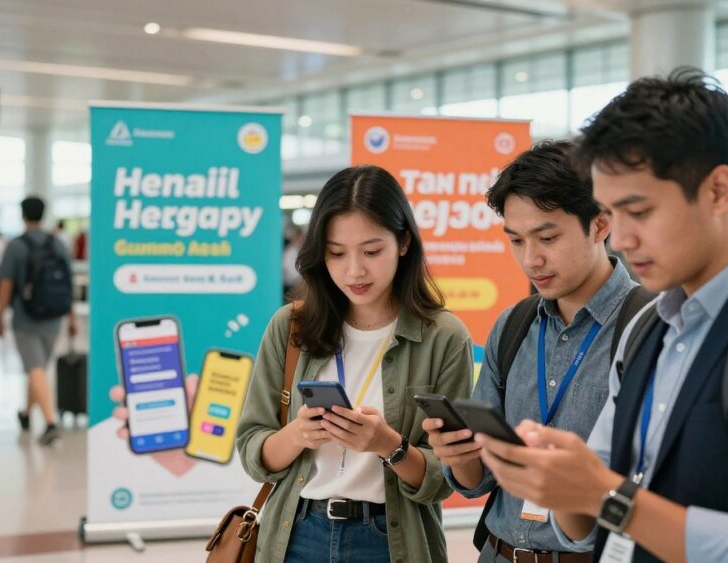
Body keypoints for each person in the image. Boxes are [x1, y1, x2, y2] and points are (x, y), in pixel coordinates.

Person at [474, 68, 728, 562]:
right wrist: (563, 481)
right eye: (611, 213)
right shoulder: (649, 329)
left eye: (639, 211)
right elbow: (585, 526)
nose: (620, 238)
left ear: (717, 190)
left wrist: (602, 494)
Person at [235, 165, 474, 563]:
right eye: (336, 253)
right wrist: (299, 435)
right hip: (294, 534)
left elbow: (445, 480)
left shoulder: (444, 336)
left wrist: (388, 446)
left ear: (402, 243)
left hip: (389, 541)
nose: (354, 270)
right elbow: (253, 450)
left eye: (372, 251)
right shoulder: (291, 326)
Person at [422, 141, 638, 563]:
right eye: (517, 240)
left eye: (548, 237)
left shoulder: (646, 325)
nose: (531, 259)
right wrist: (459, 456)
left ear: (600, 224)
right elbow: (478, 479)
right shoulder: (514, 325)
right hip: (499, 553)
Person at [0, 197, 77, 446]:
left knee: (35, 368)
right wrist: (71, 316)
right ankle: (26, 412)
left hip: (25, 318)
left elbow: (6, 283)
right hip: (53, 318)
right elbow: (68, 283)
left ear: (23, 215)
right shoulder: (58, 244)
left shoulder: (16, 246)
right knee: (38, 367)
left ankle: (51, 423)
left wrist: (0, 314)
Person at [282, 225, 305, 301]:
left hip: (300, 283)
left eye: (303, 238)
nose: (302, 240)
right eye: (300, 238)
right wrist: (301, 278)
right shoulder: (289, 251)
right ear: (296, 238)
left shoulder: (301, 250)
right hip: (290, 285)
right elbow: (288, 266)